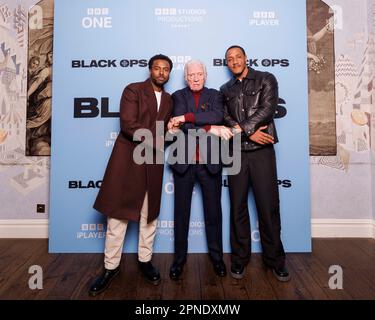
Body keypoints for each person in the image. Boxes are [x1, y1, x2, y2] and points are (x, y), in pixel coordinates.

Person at [89, 54, 173, 296]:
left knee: (150, 215)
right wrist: (159, 137)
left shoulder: (169, 100)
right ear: (150, 70)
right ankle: (110, 267)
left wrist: (170, 131)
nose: (161, 72)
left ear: (169, 73)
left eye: (165, 69)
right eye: (157, 68)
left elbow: (165, 130)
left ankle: (145, 261)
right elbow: (128, 124)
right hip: (128, 160)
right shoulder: (133, 90)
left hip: (153, 162)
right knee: (117, 217)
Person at [220, 45, 290, 282]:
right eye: (230, 59)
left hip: (262, 152)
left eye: (238, 57)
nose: (234, 61)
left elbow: (268, 109)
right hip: (235, 153)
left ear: (246, 59)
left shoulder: (266, 78)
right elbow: (225, 117)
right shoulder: (224, 89)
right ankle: (239, 260)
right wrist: (248, 132)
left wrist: (241, 128)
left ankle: (276, 260)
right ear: (227, 63)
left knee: (268, 207)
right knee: (237, 207)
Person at [167, 60, 233, 280]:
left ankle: (217, 259)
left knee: (214, 214)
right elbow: (181, 127)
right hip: (184, 163)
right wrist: (211, 128)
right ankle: (179, 261)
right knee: (181, 214)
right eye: (191, 75)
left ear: (205, 75)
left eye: (199, 74)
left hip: (210, 163)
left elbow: (217, 116)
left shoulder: (215, 95)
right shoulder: (178, 96)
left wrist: (190, 118)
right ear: (185, 77)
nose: (195, 78)